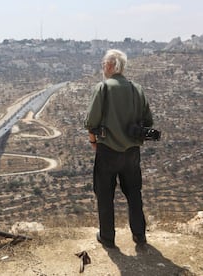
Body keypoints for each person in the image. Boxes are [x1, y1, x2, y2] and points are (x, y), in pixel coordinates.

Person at [84, 49, 153, 248]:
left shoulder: (103, 88)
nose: (102, 67)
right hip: (132, 153)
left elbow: (90, 122)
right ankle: (139, 235)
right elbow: (148, 122)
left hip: (107, 151)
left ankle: (107, 237)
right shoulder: (136, 89)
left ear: (111, 66)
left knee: (105, 194)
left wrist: (93, 143)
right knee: (134, 192)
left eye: (104, 64)